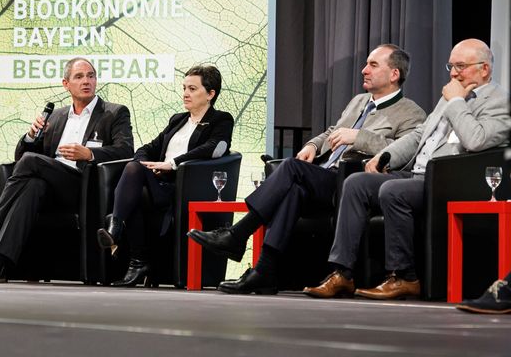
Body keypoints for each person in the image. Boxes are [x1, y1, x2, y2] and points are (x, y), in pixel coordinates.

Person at [188, 44, 426, 294]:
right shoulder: (359, 101)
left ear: (394, 74)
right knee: (293, 190)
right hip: (326, 176)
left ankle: (238, 234)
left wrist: (360, 137)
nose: (364, 70)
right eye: (366, 63)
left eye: (373, 65)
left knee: (292, 168)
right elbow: (332, 132)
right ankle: (264, 271)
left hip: (353, 182)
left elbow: (401, 155)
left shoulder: (411, 112)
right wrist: (313, 144)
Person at [305, 39, 511, 300]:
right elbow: (419, 134)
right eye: (451, 66)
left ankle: (404, 276)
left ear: (484, 69)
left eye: (461, 66)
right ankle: (342, 273)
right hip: (419, 175)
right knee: (357, 183)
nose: (454, 73)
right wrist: (385, 155)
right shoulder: (450, 96)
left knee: (393, 189)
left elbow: (477, 139)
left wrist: (457, 102)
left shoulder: (499, 102)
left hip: (450, 181)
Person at [0, 57, 134, 283]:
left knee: (32, 163)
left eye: (90, 76)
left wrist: (89, 154)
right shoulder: (58, 116)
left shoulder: (114, 113)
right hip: (52, 188)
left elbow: (125, 150)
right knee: (32, 185)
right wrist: (31, 136)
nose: (86, 81)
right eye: (79, 77)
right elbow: (21, 158)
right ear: (66, 84)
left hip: (85, 187)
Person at [97, 64, 234, 287]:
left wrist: (171, 164)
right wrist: (145, 163)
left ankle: (117, 229)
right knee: (135, 178)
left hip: (182, 188)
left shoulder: (221, 120)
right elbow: (150, 146)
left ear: (211, 94)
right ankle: (138, 261)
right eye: (184, 88)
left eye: (192, 89)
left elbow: (214, 148)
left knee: (134, 177)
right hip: (156, 184)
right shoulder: (178, 119)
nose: (186, 94)